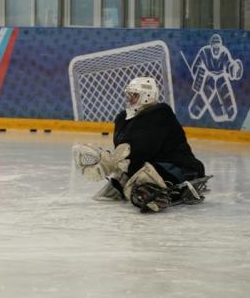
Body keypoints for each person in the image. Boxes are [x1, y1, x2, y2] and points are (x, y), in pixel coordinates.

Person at [73, 77, 206, 212]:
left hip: (180, 167)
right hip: (151, 165)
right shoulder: (122, 118)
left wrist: (111, 162)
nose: (129, 99)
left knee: (143, 177)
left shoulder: (161, 112)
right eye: (129, 95)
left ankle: (153, 191)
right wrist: (117, 167)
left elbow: (142, 149)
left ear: (147, 96)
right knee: (125, 177)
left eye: (134, 95)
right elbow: (125, 150)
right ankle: (134, 186)